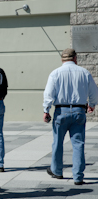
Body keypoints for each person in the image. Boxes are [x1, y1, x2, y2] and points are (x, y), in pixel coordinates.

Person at [43, 48, 98, 185]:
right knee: (78, 144)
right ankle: (78, 176)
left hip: (61, 111)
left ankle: (57, 171)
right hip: (79, 111)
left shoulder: (55, 73)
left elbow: (49, 93)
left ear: (62, 59)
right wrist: (92, 104)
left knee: (57, 142)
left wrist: (46, 110)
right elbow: (94, 91)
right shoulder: (84, 73)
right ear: (75, 58)